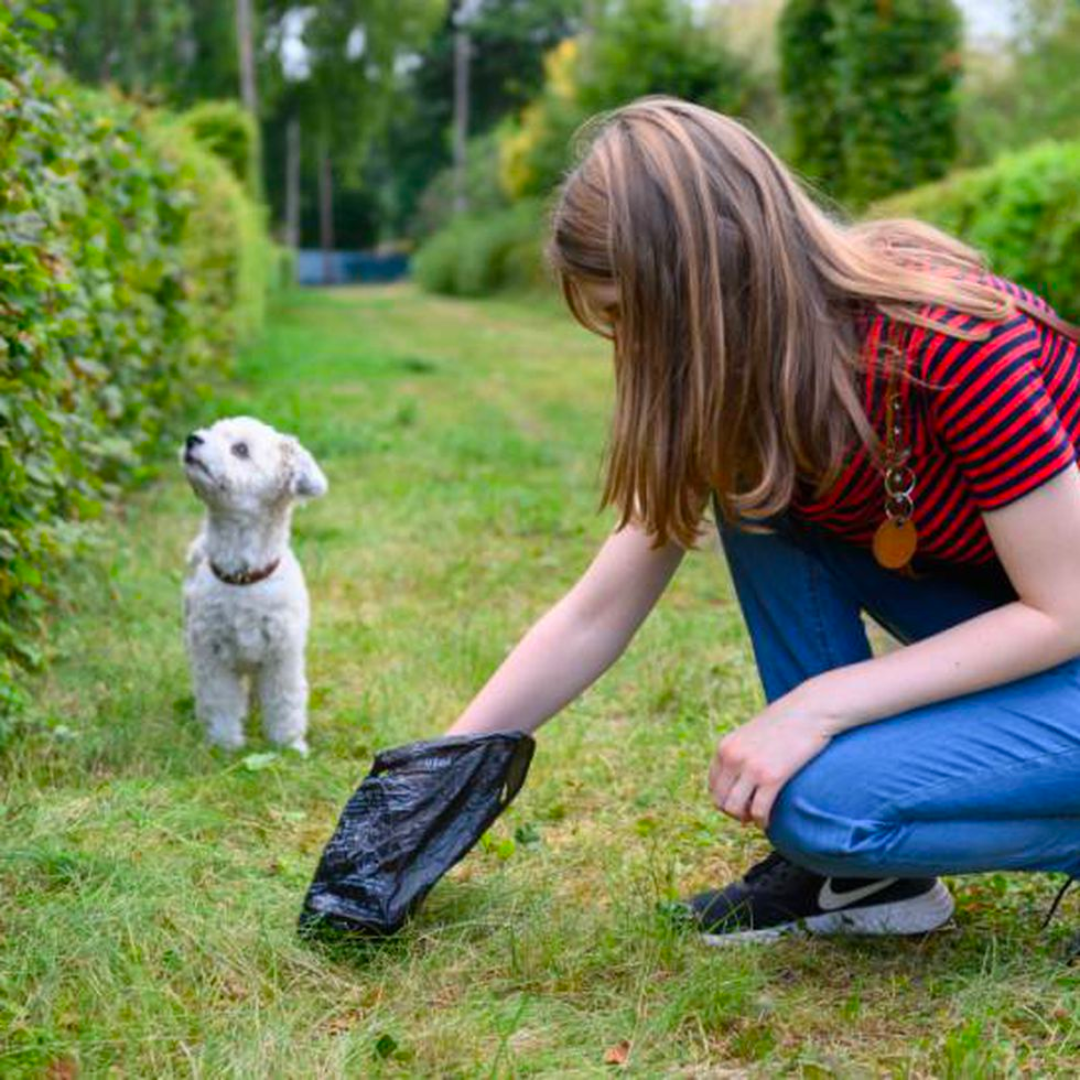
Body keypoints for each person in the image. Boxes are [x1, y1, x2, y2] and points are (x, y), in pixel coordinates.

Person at [445, 96, 1080, 944]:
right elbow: (598, 609)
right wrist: (440, 770)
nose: (626, 350)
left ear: (706, 290)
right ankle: (867, 884)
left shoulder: (951, 340)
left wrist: (817, 708)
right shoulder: (759, 387)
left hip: (1059, 619)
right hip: (1021, 627)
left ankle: (857, 841)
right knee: (760, 497)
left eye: (630, 319)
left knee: (821, 806)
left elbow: (1063, 611)